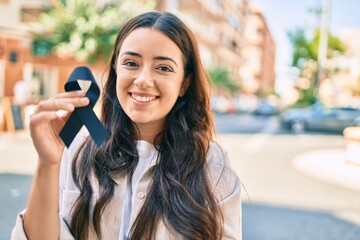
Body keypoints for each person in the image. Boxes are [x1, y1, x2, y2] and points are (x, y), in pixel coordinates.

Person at [11, 11, 242, 240]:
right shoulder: (77, 149)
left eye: (163, 68)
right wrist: (48, 162)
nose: (142, 80)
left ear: (184, 84)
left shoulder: (212, 164)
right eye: (131, 63)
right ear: (115, 69)